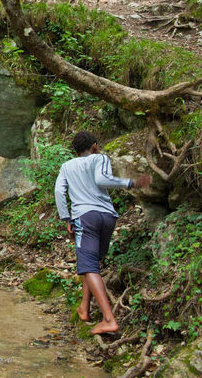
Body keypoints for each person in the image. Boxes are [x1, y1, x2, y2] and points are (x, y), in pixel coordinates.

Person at [54, 131, 151, 335]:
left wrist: (66, 218)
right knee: (91, 263)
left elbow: (59, 192)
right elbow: (101, 178)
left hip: (85, 218)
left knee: (88, 264)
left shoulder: (67, 166)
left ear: (76, 151)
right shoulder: (100, 158)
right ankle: (84, 308)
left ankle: (109, 319)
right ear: (94, 146)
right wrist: (129, 183)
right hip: (107, 217)